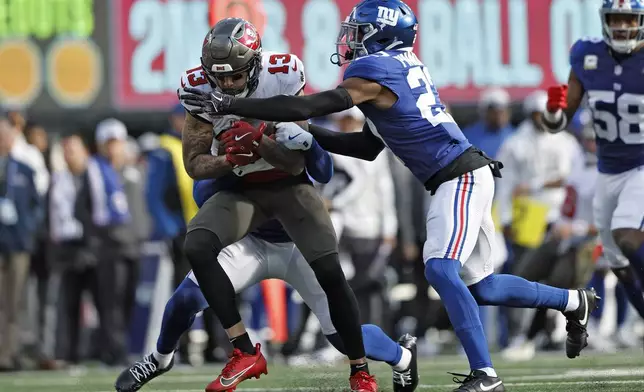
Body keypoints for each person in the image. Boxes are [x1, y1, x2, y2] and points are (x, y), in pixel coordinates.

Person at [180, 2, 600, 390]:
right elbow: (367, 147)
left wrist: (237, 104)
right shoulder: (397, 66)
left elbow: (311, 105)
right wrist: (305, 139)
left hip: (460, 177)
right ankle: (573, 301)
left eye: (359, 31)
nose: (350, 39)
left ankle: (485, 374)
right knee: (483, 287)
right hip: (461, 175)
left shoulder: (374, 70)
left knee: (439, 270)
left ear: (383, 36)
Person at [114, 127, 418, 392]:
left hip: (298, 246)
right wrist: (230, 164)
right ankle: (160, 359)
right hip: (251, 243)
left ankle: (401, 357)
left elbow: (325, 172)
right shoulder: (230, 136)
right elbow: (202, 195)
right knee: (187, 298)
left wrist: (309, 144)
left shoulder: (287, 130)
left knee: (343, 336)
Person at [178, 18, 378, 392]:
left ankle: (360, 370)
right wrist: (230, 160)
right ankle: (243, 349)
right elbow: (194, 165)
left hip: (287, 185)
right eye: (219, 77)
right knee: (196, 245)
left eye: (235, 77)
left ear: (254, 64)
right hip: (241, 187)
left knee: (331, 272)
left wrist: (260, 141)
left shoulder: (283, 73)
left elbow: (296, 162)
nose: (226, 85)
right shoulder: (197, 87)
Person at [542, 0, 644, 330]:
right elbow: (558, 123)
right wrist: (554, 113)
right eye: (616, 18)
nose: (622, 26)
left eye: (629, 20)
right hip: (607, 169)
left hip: (641, 165)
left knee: (628, 237)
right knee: (615, 259)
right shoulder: (587, 55)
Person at [0, 111, 43, 371]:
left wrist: (28, 228)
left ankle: (9, 354)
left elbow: (37, 205)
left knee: (15, 301)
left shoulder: (24, 169)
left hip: (17, 243)